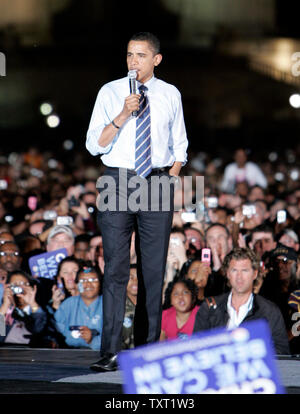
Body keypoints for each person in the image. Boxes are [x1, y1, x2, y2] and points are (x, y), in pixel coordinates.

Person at [86, 32, 188, 371]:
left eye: (141, 55)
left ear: (156, 59)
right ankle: (110, 351)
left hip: (157, 179)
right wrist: (122, 115)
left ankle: (147, 351)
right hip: (117, 178)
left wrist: (170, 176)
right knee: (115, 269)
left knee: (152, 271)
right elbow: (94, 145)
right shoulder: (111, 92)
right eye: (130, 54)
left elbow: (180, 145)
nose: (133, 61)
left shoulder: (170, 93)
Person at [193, 247, 290, 355]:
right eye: (234, 270)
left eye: (245, 270)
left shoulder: (269, 311)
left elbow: (282, 353)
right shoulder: (210, 307)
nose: (239, 277)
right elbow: (196, 348)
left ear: (255, 274)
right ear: (227, 274)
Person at [54, 263, 103, 350]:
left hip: (100, 355)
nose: (88, 284)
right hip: (70, 355)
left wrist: (92, 340)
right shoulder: (68, 304)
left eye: (93, 280)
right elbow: (56, 331)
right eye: (83, 281)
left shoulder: (109, 304)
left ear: (100, 282)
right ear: (76, 285)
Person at [0, 270, 47, 346]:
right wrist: (5, 306)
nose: (19, 288)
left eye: (23, 284)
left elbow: (39, 329)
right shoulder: (6, 310)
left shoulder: (40, 309)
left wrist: (32, 303)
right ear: (7, 287)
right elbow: (0, 334)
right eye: (14, 284)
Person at [160, 276, 199, 341]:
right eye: (176, 294)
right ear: (170, 300)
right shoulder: (165, 315)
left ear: (193, 297)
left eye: (185, 292)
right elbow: (160, 345)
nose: (180, 296)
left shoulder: (202, 314)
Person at [122, 264, 138, 350]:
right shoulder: (118, 306)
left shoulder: (152, 305)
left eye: (139, 277)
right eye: (130, 278)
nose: (135, 281)